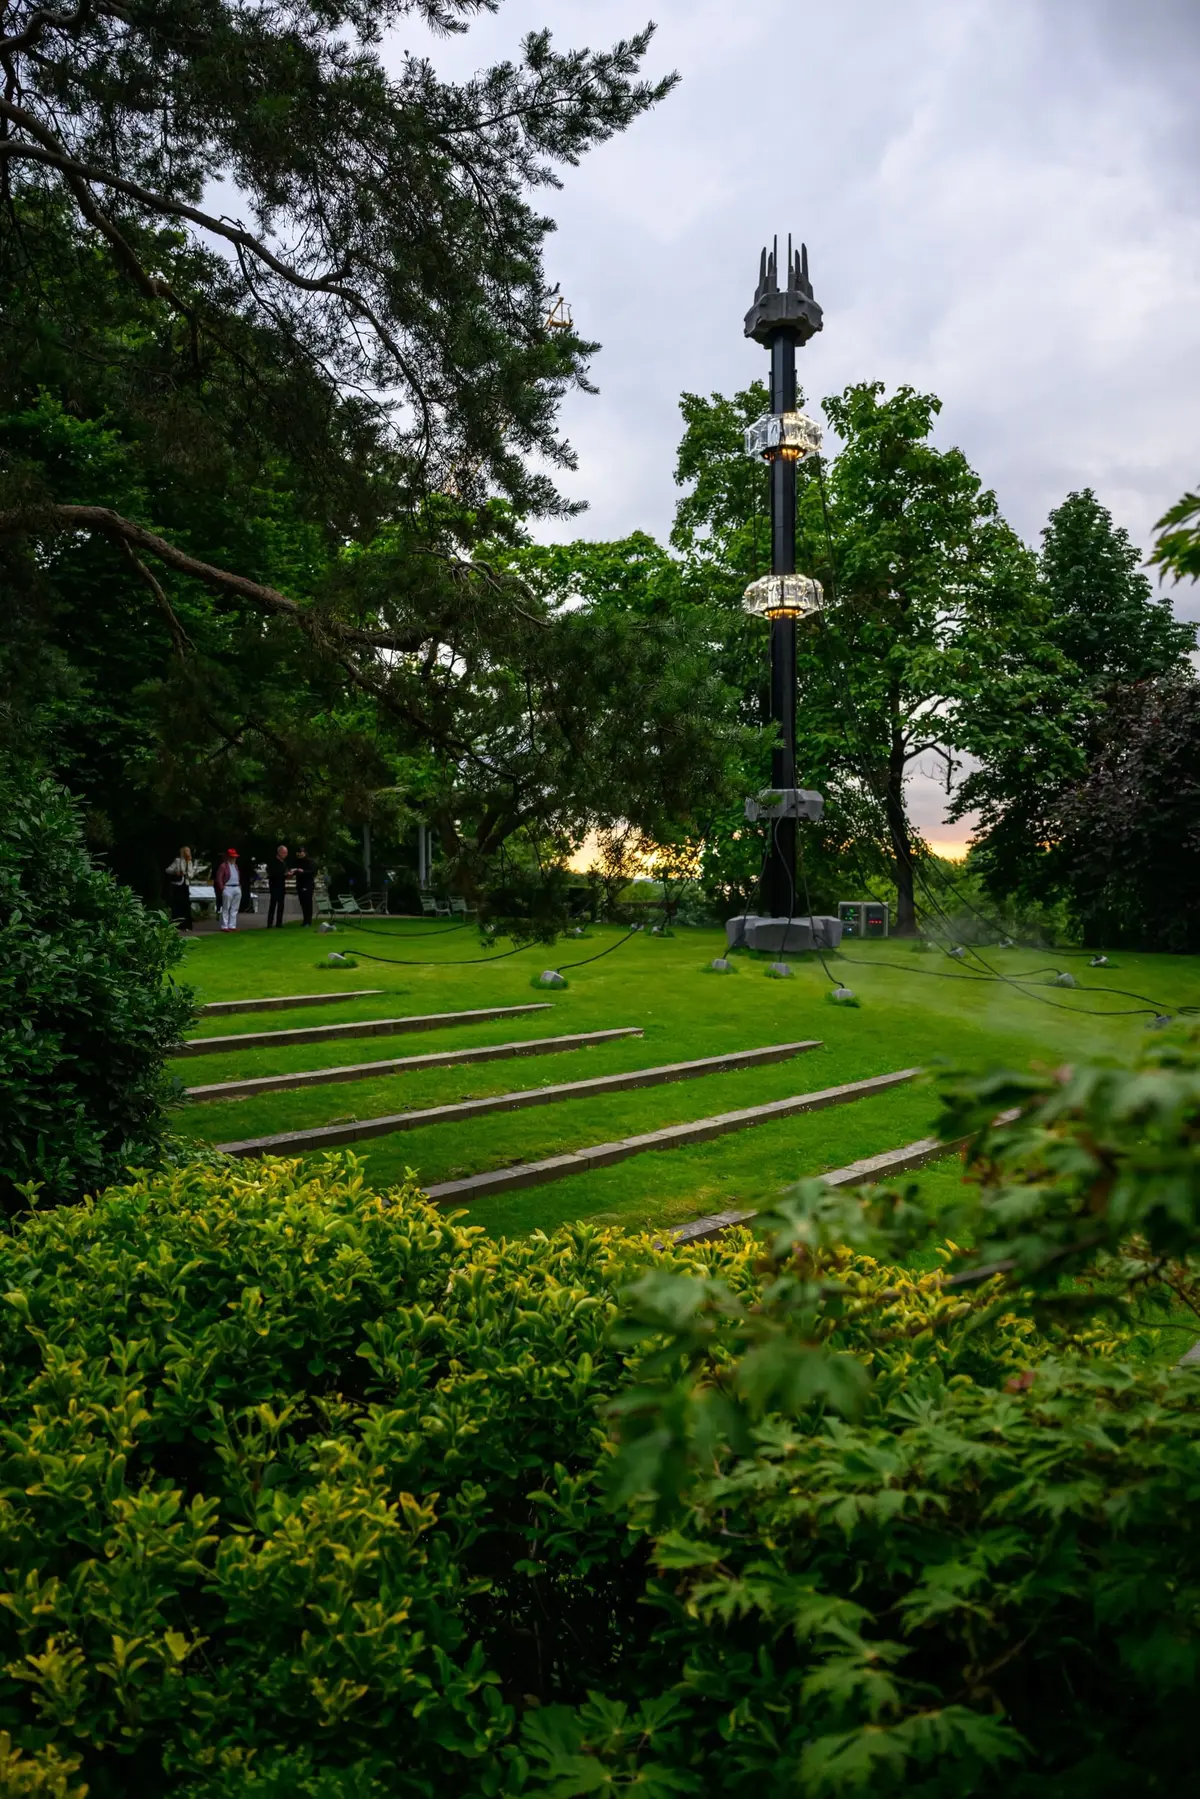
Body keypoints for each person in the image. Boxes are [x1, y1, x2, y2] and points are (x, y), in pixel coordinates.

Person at [165, 845, 194, 931]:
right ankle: (177, 925)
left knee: (186, 905)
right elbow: (168, 870)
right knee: (178, 905)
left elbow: (191, 874)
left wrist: (188, 874)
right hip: (178, 885)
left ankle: (187, 925)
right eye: (187, 851)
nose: (188, 853)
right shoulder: (178, 861)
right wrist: (176, 872)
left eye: (189, 851)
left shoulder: (190, 862)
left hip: (186, 884)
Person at [214, 847, 242, 931]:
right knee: (226, 907)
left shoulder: (235, 866)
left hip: (236, 886)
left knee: (235, 908)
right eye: (232, 857)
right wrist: (222, 888)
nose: (234, 858)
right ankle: (224, 926)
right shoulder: (223, 866)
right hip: (228, 887)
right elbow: (219, 878)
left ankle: (232, 925)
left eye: (235, 857)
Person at [292, 846, 317, 926]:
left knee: (307, 903)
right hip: (300, 884)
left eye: (301, 852)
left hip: (307, 884)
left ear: (304, 853)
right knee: (303, 903)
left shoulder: (310, 861)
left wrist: (303, 871)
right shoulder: (297, 861)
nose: (300, 854)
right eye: (299, 853)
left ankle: (308, 921)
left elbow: (312, 872)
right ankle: (305, 920)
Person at [266, 843, 289, 928]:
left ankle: (279, 922)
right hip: (274, 885)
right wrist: (284, 874)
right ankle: (270, 923)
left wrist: (287, 874)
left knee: (281, 905)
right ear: (279, 852)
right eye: (284, 852)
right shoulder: (273, 862)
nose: (285, 855)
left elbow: (284, 873)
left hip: (281, 885)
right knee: (273, 904)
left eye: (286, 853)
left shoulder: (284, 863)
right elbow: (273, 874)